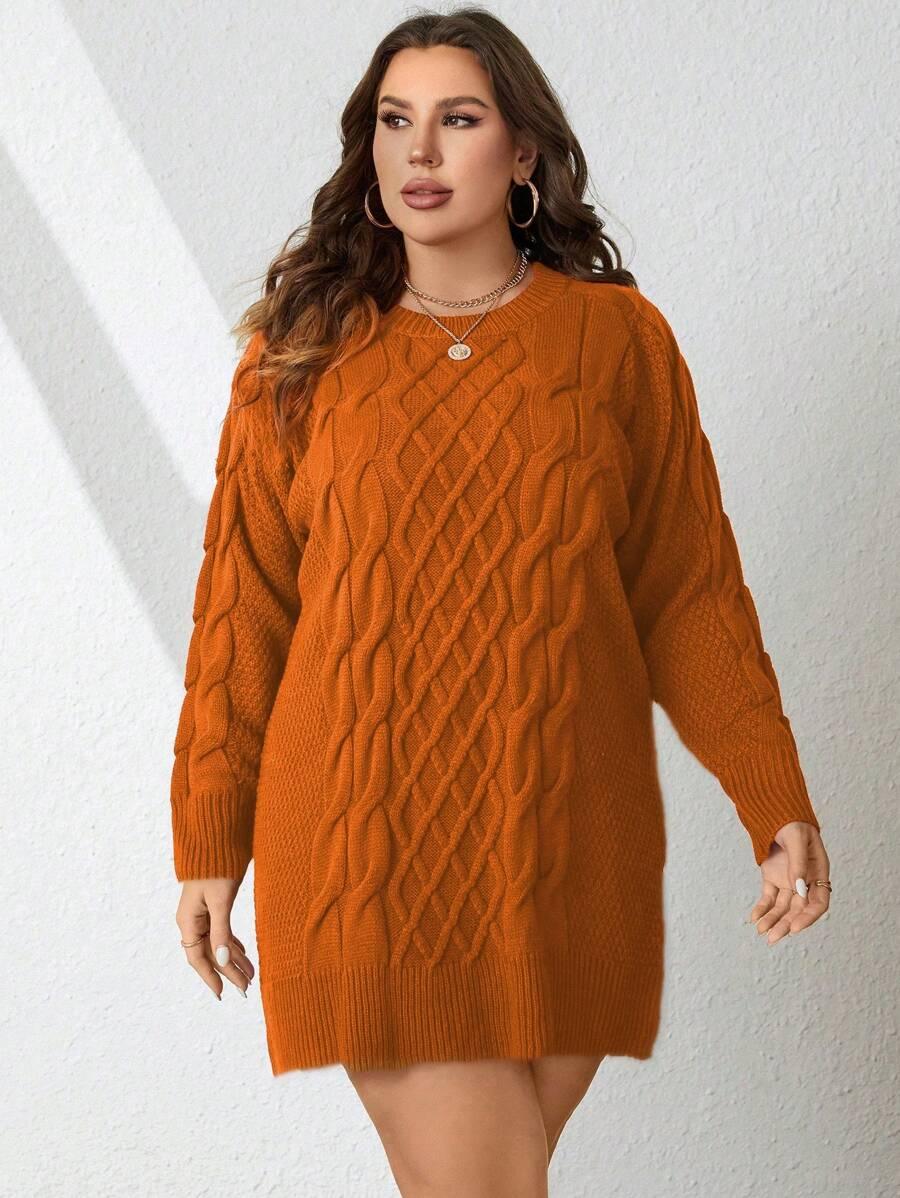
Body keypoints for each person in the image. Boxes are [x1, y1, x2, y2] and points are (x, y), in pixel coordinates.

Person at [170, 8, 832, 1195]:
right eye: (395, 122)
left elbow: (688, 592)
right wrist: (211, 839)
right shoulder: (300, 354)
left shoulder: (616, 343)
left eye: (458, 119)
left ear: (522, 150)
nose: (420, 151)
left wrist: (771, 793)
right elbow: (244, 613)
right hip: (366, 854)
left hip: (568, 854)